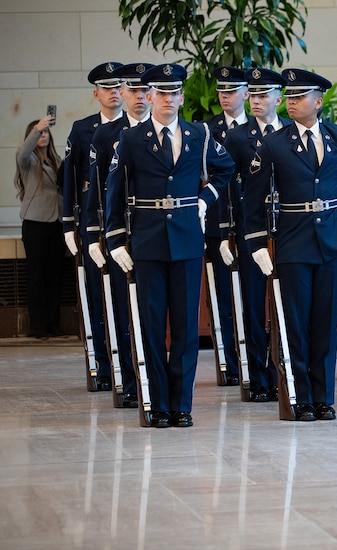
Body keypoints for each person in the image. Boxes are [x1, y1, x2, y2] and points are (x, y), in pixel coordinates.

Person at [245, 68, 337, 422]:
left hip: (332, 243)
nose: (291, 102)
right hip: (293, 242)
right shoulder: (275, 143)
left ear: (318, 102)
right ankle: (298, 396)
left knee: (324, 322)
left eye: (299, 96)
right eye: (288, 96)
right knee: (295, 323)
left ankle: (323, 397)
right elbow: (253, 196)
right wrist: (258, 242)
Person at [105, 63, 235, 428]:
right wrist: (116, 239)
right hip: (146, 241)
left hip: (187, 241)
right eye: (160, 93)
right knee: (150, 326)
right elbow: (114, 189)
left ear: (181, 96)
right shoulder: (131, 139)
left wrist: (205, 199)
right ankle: (156, 404)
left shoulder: (198, 134)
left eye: (174, 93)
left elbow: (225, 168)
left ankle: (181, 405)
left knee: (185, 328)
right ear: (149, 96)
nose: (167, 99)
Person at [85, 62, 154, 409]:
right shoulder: (106, 135)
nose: (140, 97)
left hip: (156, 235)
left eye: (146, 91)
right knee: (123, 313)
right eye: (133, 90)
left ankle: (153, 381)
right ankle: (130, 382)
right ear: (122, 93)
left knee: (153, 313)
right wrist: (97, 238)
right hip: (121, 238)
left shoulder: (165, 133)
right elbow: (97, 193)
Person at [220, 67, 291, 402]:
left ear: (279, 98)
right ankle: (256, 377)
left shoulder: (293, 131)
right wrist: (226, 233)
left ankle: (283, 372)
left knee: (286, 306)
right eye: (254, 95)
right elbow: (225, 186)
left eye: (265, 95)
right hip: (252, 232)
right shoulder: (238, 137)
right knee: (252, 305)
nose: (258, 101)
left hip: (290, 232)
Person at [62, 61, 124, 392]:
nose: (114, 92)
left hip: (122, 224)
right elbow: (70, 181)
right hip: (92, 223)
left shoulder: (133, 127)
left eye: (119, 87)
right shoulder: (82, 129)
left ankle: (124, 364)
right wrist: (69, 226)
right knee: (95, 299)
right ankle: (100, 365)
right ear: (96, 93)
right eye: (108, 88)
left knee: (122, 298)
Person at [203, 66, 250, 387]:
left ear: (246, 94)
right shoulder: (206, 131)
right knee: (222, 297)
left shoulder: (269, 130)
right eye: (222, 91)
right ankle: (228, 363)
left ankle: (256, 361)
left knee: (254, 298)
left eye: (232, 91)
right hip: (218, 227)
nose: (225, 96)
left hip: (257, 227)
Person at [15, 115, 63, 339]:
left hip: (56, 224)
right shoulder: (29, 161)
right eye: (39, 133)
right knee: (36, 276)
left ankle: (54, 324)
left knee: (54, 276)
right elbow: (22, 153)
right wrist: (37, 128)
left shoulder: (55, 160)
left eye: (45, 132)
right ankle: (38, 326)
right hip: (35, 223)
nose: (43, 136)